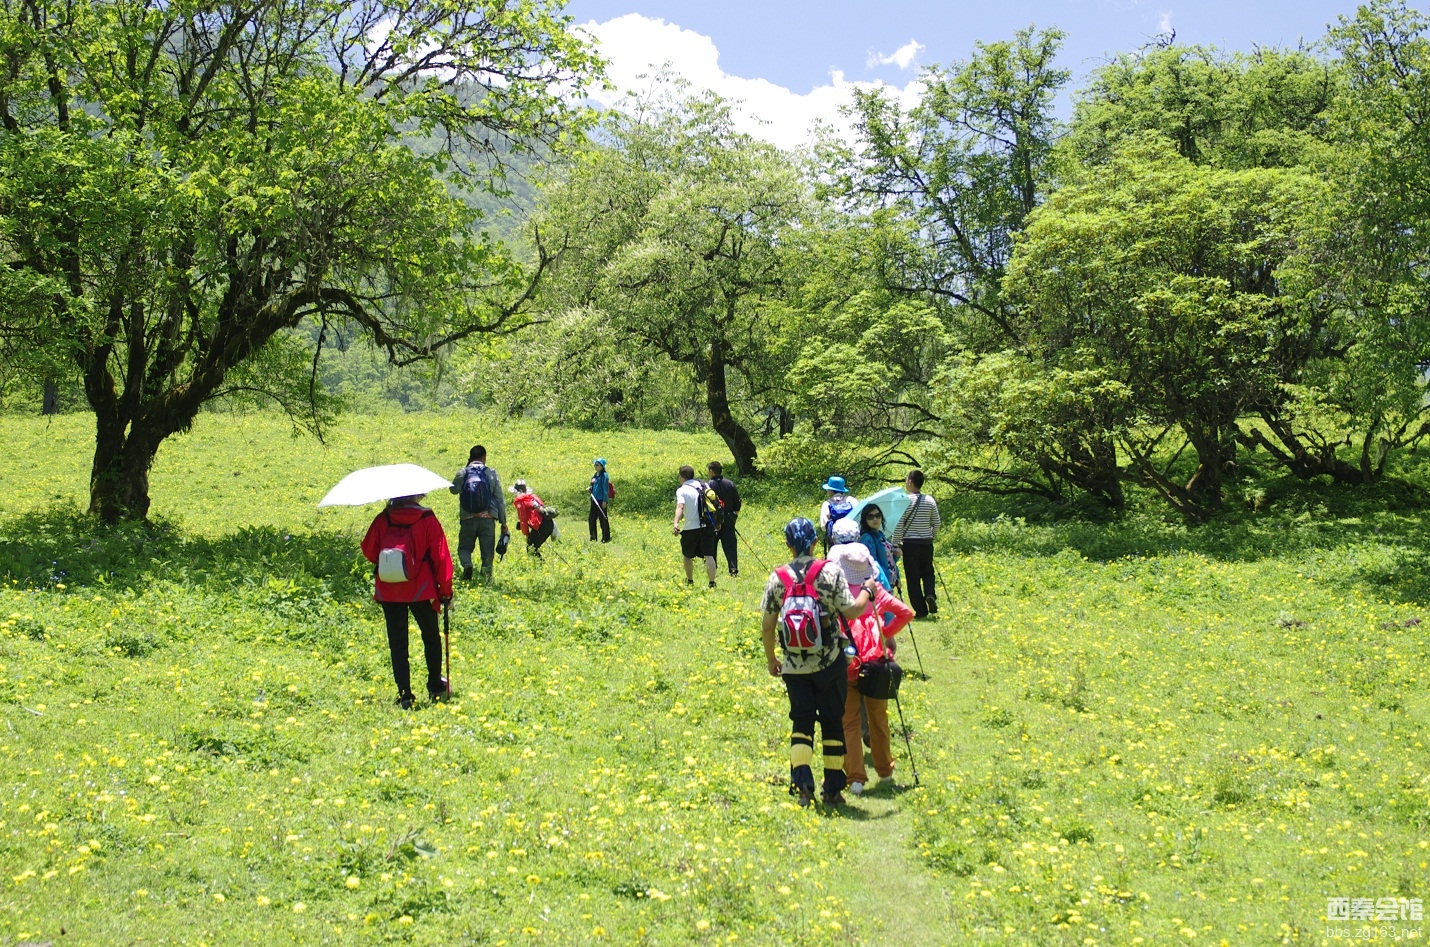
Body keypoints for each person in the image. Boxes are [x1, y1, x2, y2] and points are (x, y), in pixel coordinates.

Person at [761, 517, 876, 807]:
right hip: (830, 663)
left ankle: (802, 787)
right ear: (814, 542)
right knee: (832, 724)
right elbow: (851, 612)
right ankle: (833, 790)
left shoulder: (778, 578)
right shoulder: (830, 572)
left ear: (788, 545)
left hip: (794, 666)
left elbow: (767, 625)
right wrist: (868, 591)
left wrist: (772, 658)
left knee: (801, 723)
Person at [827, 517, 914, 795]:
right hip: (877, 660)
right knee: (879, 717)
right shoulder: (875, 591)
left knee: (849, 721)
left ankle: (855, 779)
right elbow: (907, 612)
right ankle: (885, 771)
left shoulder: (836, 594)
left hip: (847, 662)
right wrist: (884, 630)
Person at [361, 493, 455, 709]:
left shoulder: (383, 518)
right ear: (418, 494)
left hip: (389, 589)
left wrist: (389, 563)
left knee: (397, 642)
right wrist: (446, 591)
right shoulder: (427, 518)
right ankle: (435, 687)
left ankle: (404, 695)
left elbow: (368, 549)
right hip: (421, 588)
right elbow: (441, 556)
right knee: (431, 636)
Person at [449, 445, 509, 583]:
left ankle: (467, 565)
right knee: (487, 553)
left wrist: (465, 470)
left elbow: (453, 490)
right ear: (484, 457)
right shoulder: (491, 473)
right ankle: (486, 580)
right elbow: (500, 499)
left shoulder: (463, 472)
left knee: (464, 548)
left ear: (470, 457)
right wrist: (503, 523)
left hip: (467, 519)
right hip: (487, 519)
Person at [891, 469, 942, 618]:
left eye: (907, 480)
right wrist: (932, 536)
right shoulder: (930, 500)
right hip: (927, 544)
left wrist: (894, 544)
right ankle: (930, 594)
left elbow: (899, 525)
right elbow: (937, 522)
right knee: (928, 572)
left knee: (913, 578)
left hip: (910, 545)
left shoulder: (905, 501)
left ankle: (921, 610)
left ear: (910, 482)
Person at [674, 465, 718, 587]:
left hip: (690, 527)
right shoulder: (704, 485)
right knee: (709, 555)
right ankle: (712, 582)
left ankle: (690, 581)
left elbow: (680, 507)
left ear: (682, 477)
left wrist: (676, 523)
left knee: (687, 555)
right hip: (707, 525)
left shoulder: (682, 490)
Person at [706, 460, 742, 577]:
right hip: (728, 519)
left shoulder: (708, 485)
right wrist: (733, 517)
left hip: (713, 520)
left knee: (711, 546)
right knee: (730, 546)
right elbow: (737, 504)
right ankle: (733, 570)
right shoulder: (730, 484)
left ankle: (713, 569)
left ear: (711, 471)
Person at [858, 503, 899, 593]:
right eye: (870, 516)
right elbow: (873, 565)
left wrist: (896, 554)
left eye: (878, 515)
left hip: (889, 581)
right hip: (881, 583)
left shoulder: (881, 535)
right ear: (865, 520)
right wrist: (885, 580)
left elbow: (888, 560)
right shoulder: (867, 538)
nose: (875, 519)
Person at [512, 479, 555, 557]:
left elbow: (523, 519)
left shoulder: (520, 501)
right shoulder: (533, 497)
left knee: (531, 549)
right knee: (534, 548)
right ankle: (540, 566)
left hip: (541, 525)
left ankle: (540, 566)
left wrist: (526, 533)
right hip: (549, 523)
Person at [818, 476, 856, 554]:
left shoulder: (827, 504)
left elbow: (823, 526)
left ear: (831, 491)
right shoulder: (852, 500)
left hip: (835, 543)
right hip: (853, 540)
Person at [588, 458, 613, 543]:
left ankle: (606, 537)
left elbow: (605, 489)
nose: (595, 466)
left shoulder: (604, 476)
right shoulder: (595, 476)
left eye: (597, 465)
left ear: (602, 466)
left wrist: (604, 501)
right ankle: (593, 537)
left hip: (601, 501)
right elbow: (593, 486)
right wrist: (590, 488)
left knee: (603, 519)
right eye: (595, 464)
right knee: (591, 519)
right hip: (594, 500)